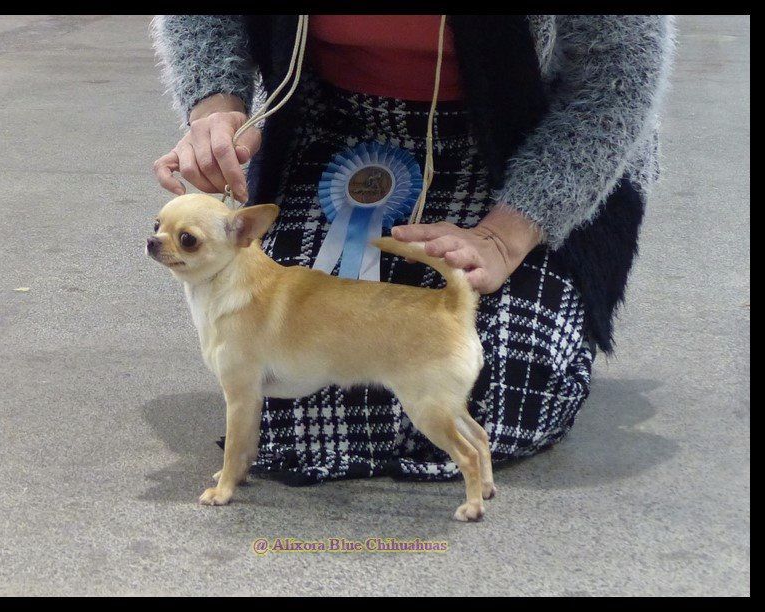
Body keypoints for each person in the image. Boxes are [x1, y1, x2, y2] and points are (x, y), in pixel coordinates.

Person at [150, 15, 675, 484]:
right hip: (334, 130)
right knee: (291, 387)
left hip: (524, 151)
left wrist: (505, 235)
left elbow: (615, 84)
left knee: (507, 391)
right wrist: (216, 104)